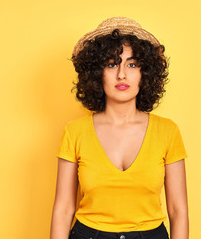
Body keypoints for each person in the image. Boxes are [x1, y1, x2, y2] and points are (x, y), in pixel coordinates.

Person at [50, 17, 189, 239]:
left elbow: (178, 211)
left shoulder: (167, 132)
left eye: (132, 64)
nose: (122, 74)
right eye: (112, 64)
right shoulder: (74, 132)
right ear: (97, 73)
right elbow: (63, 210)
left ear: (145, 73)